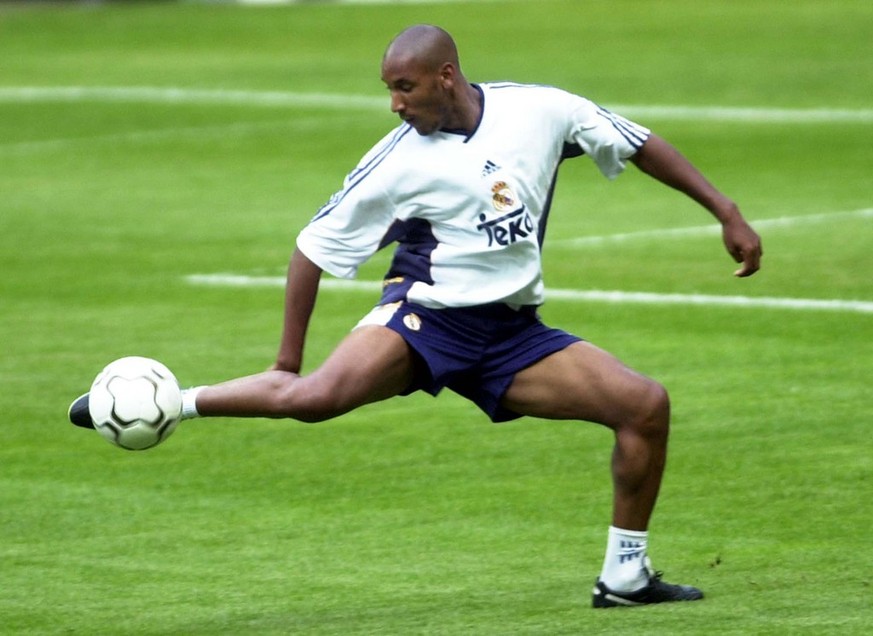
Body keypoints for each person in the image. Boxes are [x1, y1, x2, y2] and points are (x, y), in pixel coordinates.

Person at [70, 24, 762, 608]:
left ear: (446, 77)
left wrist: (724, 211)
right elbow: (312, 248)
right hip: (424, 322)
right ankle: (169, 405)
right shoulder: (395, 162)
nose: (394, 104)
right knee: (313, 399)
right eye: (387, 90)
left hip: (510, 334)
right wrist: (286, 361)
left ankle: (624, 577)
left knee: (642, 405)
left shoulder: (539, 110)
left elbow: (634, 141)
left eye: (404, 87)